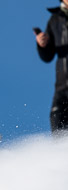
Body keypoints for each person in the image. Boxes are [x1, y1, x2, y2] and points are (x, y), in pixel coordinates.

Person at [35, 0, 68, 134]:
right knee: (57, 121)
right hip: (62, 88)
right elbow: (47, 56)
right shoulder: (55, 20)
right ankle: (59, 155)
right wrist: (42, 44)